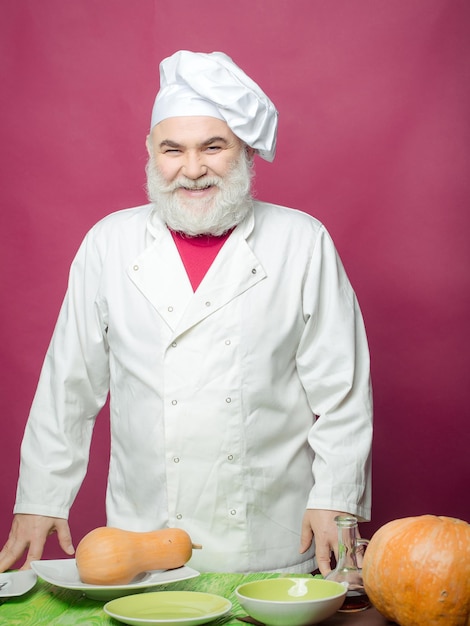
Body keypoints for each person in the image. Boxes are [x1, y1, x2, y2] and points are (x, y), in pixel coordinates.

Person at [0, 50, 372, 576]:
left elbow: (344, 391)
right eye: (172, 150)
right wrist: (40, 496)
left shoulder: (301, 241)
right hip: (141, 543)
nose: (192, 169)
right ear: (150, 152)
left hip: (271, 544)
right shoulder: (110, 243)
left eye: (213, 147)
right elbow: (69, 385)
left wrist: (337, 496)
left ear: (243, 151)